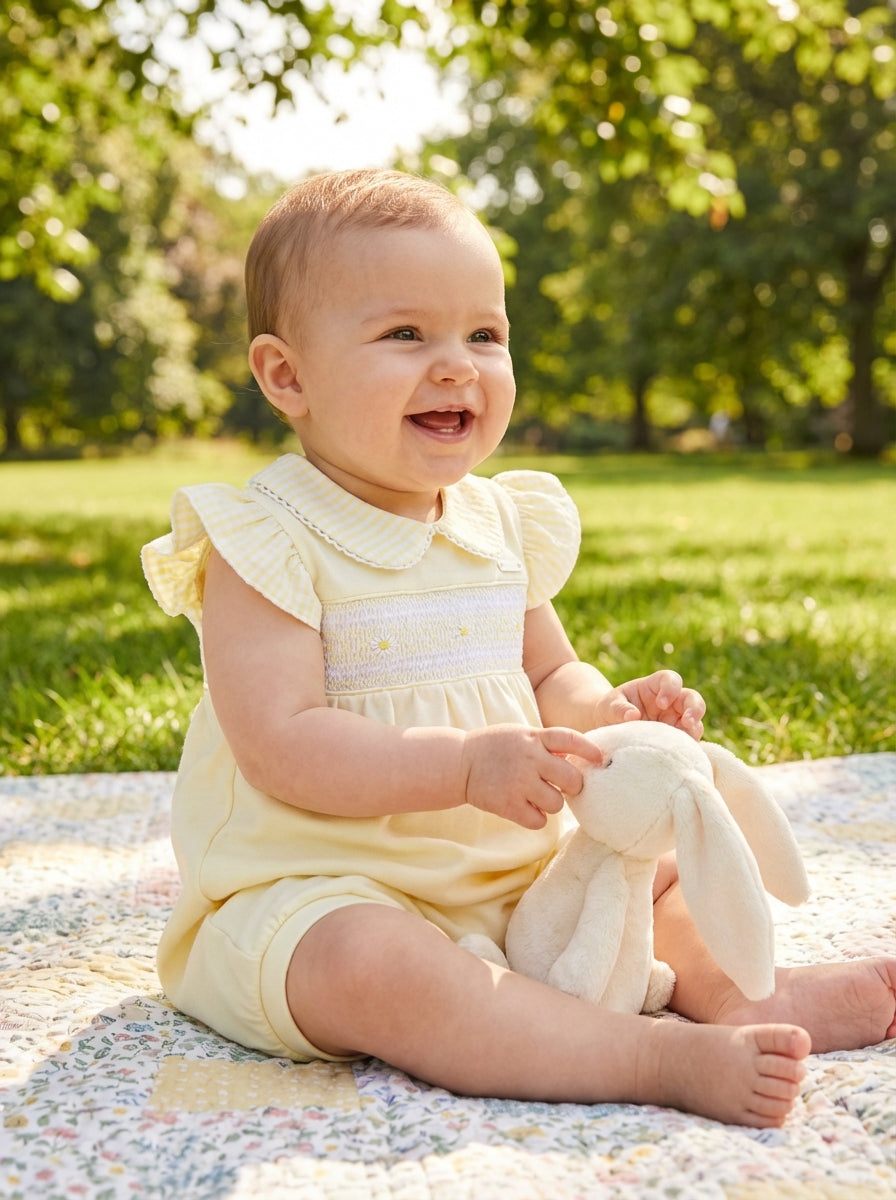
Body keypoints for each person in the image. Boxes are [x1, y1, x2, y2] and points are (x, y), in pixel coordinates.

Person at [142, 168, 896, 1129]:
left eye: (484, 335)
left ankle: (750, 998)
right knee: (369, 966)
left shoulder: (503, 523)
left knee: (647, 867)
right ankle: (649, 1055)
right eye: (405, 333)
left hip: (514, 877)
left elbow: (550, 675)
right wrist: (462, 766)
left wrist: (609, 712)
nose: (457, 364)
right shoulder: (265, 539)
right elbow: (281, 743)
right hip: (320, 888)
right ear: (287, 375)